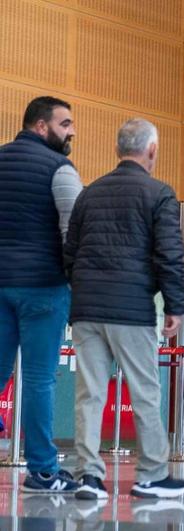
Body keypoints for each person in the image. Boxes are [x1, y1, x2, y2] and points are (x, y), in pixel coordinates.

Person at [63, 118, 184, 500]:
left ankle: (88, 475)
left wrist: (82, 287)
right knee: (145, 391)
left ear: (119, 150)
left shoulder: (90, 193)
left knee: (90, 394)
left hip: (86, 308)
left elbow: (70, 251)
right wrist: (175, 305)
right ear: (151, 150)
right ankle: (150, 475)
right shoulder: (159, 193)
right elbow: (169, 254)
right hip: (131, 309)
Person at [0, 96, 83, 493]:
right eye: (65, 124)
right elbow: (73, 235)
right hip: (44, 288)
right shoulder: (60, 169)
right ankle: (43, 471)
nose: (72, 132)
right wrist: (75, 285)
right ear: (40, 126)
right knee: (37, 380)